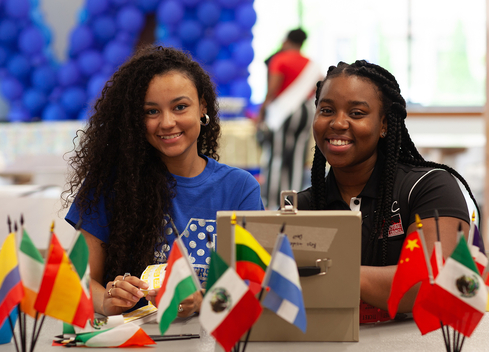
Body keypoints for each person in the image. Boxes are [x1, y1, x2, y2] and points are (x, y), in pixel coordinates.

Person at [63, 45, 264, 317]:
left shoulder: (239, 188)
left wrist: (204, 300)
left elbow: (254, 285)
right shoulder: (109, 185)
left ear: (202, 107)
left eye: (180, 107)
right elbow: (79, 281)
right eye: (151, 111)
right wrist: (107, 300)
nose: (167, 122)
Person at [297, 60, 479, 316]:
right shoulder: (302, 207)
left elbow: (433, 281)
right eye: (326, 110)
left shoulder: (428, 187)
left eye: (356, 113)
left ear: (383, 125)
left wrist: (329, 271)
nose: (338, 123)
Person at [257, 28, 322, 209]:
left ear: (286, 40)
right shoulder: (311, 63)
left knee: (277, 156)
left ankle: (272, 204)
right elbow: (321, 87)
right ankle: (293, 204)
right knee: (297, 157)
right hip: (305, 112)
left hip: (283, 113)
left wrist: (261, 112)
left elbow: (272, 90)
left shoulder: (280, 59)